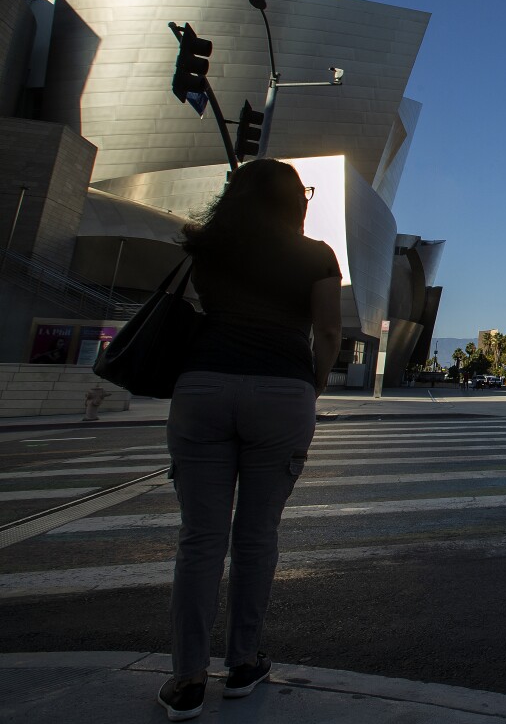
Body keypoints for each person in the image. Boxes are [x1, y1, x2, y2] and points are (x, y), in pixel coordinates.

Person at [156, 159, 341, 721]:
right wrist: (313, 385)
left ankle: (186, 677)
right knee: (257, 537)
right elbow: (329, 330)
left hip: (203, 388)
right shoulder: (315, 255)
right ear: (297, 202)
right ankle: (242, 663)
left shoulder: (207, 247)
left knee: (200, 539)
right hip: (281, 392)